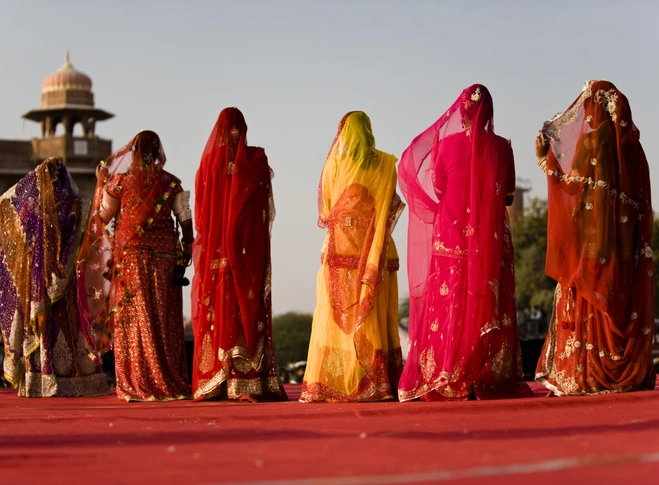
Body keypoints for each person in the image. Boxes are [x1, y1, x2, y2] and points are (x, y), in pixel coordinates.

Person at [397, 84, 532, 401]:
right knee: (487, 302)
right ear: (488, 113)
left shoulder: (446, 145)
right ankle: (485, 376)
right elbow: (508, 195)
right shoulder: (501, 147)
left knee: (451, 303)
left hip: (451, 236)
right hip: (490, 240)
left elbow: (441, 190)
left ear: (462, 113)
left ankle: (449, 374)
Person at [534, 80, 655, 395]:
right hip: (625, 250)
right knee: (617, 302)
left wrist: (545, 160)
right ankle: (624, 372)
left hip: (591, 244)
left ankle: (588, 374)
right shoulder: (636, 151)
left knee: (587, 303)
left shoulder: (592, 144)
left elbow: (571, 186)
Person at [79, 131, 193, 401]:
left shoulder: (120, 183)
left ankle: (137, 383)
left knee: (136, 322)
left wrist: (100, 186)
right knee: (163, 321)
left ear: (133, 153)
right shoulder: (171, 184)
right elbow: (185, 220)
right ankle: (168, 382)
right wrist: (187, 249)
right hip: (165, 262)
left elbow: (102, 218)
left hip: (131, 262)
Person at [300, 111, 405, 402]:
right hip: (376, 253)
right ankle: (376, 382)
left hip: (339, 252)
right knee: (372, 313)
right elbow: (385, 208)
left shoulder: (335, 165)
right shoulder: (386, 164)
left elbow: (328, 211)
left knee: (336, 317)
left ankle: (339, 381)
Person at [191, 108, 286, 402]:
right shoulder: (256, 159)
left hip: (217, 253)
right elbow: (262, 212)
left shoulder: (208, 164)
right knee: (247, 310)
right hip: (247, 254)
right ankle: (249, 382)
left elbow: (202, 217)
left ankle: (218, 380)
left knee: (219, 314)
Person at [0, 157, 109, 397]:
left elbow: (15, 223)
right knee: (67, 323)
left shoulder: (33, 205)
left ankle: (43, 379)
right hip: (65, 281)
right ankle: (76, 379)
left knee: (46, 326)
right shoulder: (76, 205)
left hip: (39, 283)